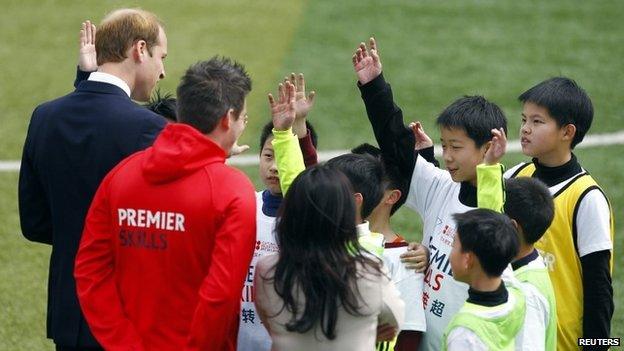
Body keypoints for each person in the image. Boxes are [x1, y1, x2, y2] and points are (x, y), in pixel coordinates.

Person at [74, 57, 255, 350]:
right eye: (243, 117)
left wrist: (124, 344)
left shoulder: (121, 175)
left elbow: (90, 271)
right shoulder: (233, 191)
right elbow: (220, 296)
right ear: (227, 118)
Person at [18, 9, 167, 349]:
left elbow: (35, 224)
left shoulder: (45, 117)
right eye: (161, 57)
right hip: (128, 317)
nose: (163, 71)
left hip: (68, 314)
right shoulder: (152, 130)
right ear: (139, 50)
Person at [352, 37, 508, 350]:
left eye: (457, 147)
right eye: (444, 145)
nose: (447, 156)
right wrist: (374, 87)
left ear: (489, 146)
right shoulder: (442, 185)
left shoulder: (506, 206)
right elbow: (397, 146)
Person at [505, 77, 614, 350]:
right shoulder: (515, 176)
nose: (525, 129)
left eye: (537, 122)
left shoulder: (587, 198)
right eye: (524, 120)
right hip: (512, 335)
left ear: (567, 132)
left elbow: (599, 291)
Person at [254, 164, 405, 350]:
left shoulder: (267, 271)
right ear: (347, 214)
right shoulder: (369, 270)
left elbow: (271, 324)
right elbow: (394, 322)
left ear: (290, 212)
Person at [238, 73, 319, 351]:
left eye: (281, 157)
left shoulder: (308, 217)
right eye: (268, 156)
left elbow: (307, 179)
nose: (274, 167)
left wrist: (298, 125)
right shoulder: (242, 205)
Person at [476, 129, 557, 350]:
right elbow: (489, 215)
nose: (491, 224)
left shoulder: (526, 292)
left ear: (512, 227)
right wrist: (490, 167)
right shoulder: (521, 260)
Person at [352, 143, 426, 350]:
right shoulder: (335, 238)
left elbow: (409, 334)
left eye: (368, 183)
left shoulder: (405, 258)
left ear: (392, 197)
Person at [443, 209, 525, 351]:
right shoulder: (517, 297)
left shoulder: (463, 334)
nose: (450, 254)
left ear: (468, 259)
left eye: (453, 245)